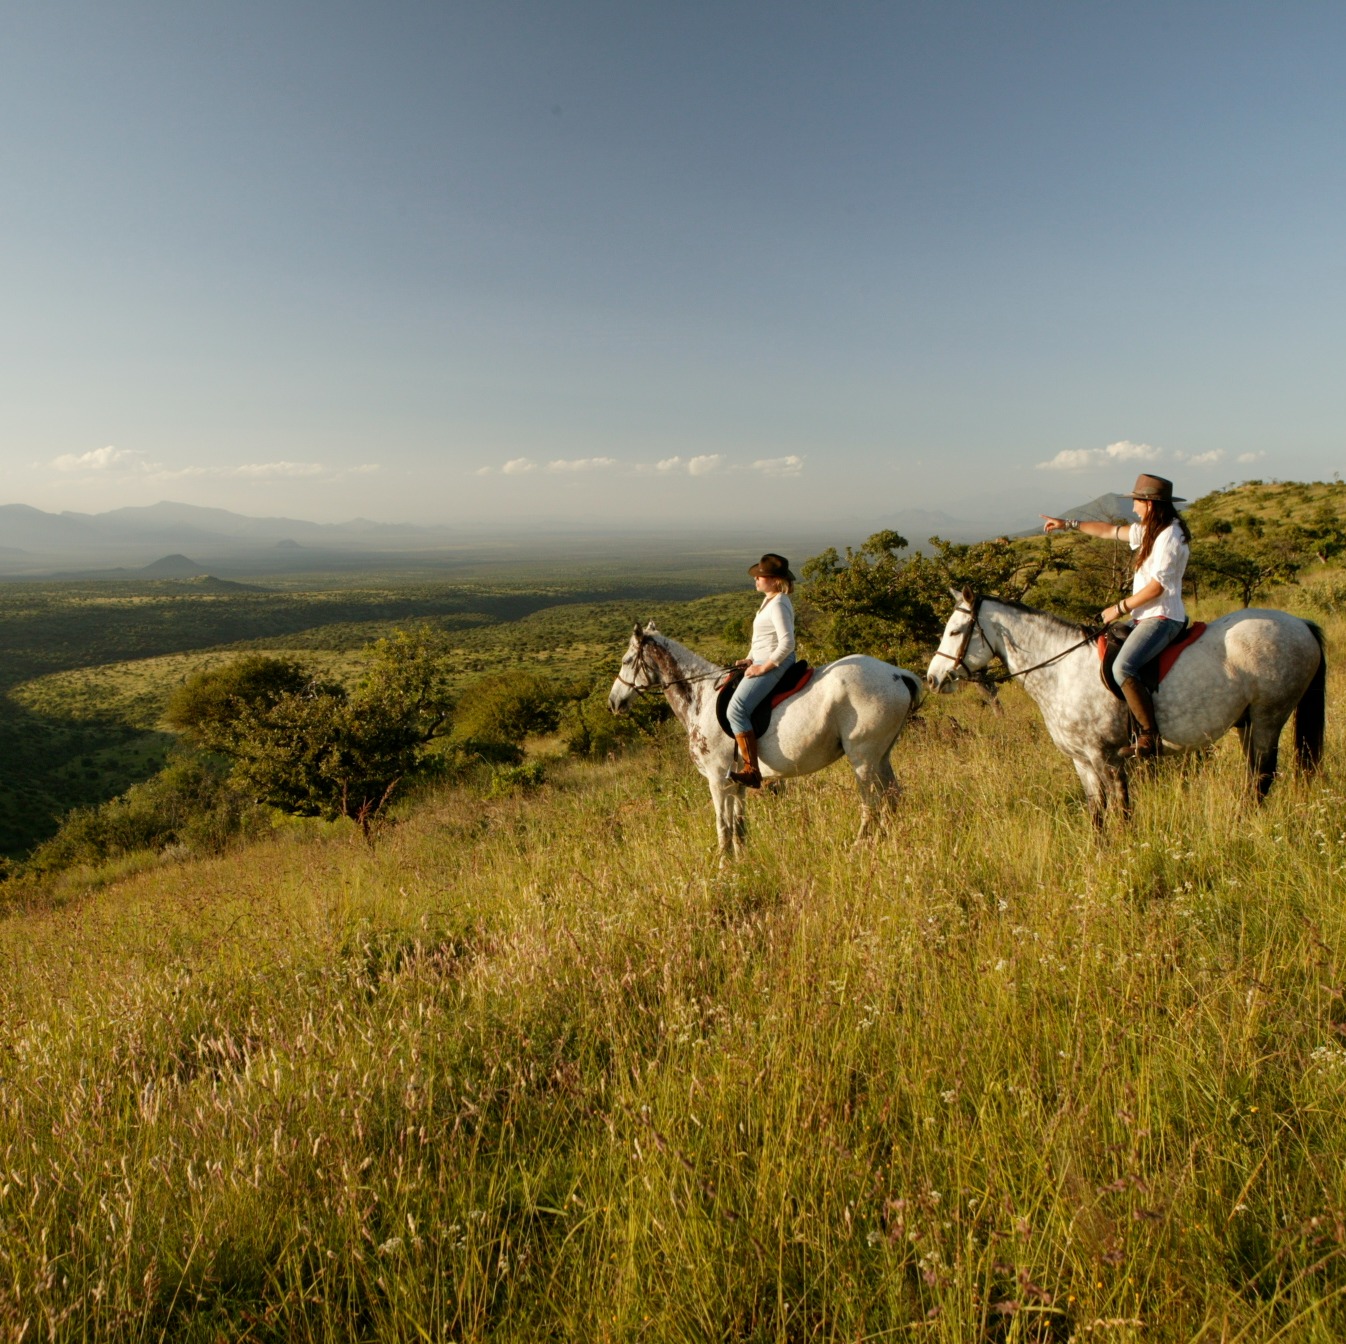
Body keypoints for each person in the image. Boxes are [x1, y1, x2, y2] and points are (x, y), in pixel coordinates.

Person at [1041, 473, 1191, 758]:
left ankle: (1149, 736)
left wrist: (1119, 608)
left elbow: (1157, 588)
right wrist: (1068, 525)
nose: (1133, 507)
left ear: (1150, 503)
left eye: (1137, 501)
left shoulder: (1170, 536)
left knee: (1123, 667)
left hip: (1162, 618)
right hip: (1144, 617)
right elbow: (1109, 531)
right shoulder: (1152, 529)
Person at [727, 553, 797, 788]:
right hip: (763, 658)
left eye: (761, 576)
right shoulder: (769, 599)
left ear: (776, 580)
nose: (756, 579)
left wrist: (763, 668)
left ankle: (752, 771)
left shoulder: (778, 603)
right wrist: (749, 659)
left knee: (736, 710)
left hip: (776, 663)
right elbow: (762, 638)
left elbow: (787, 643)